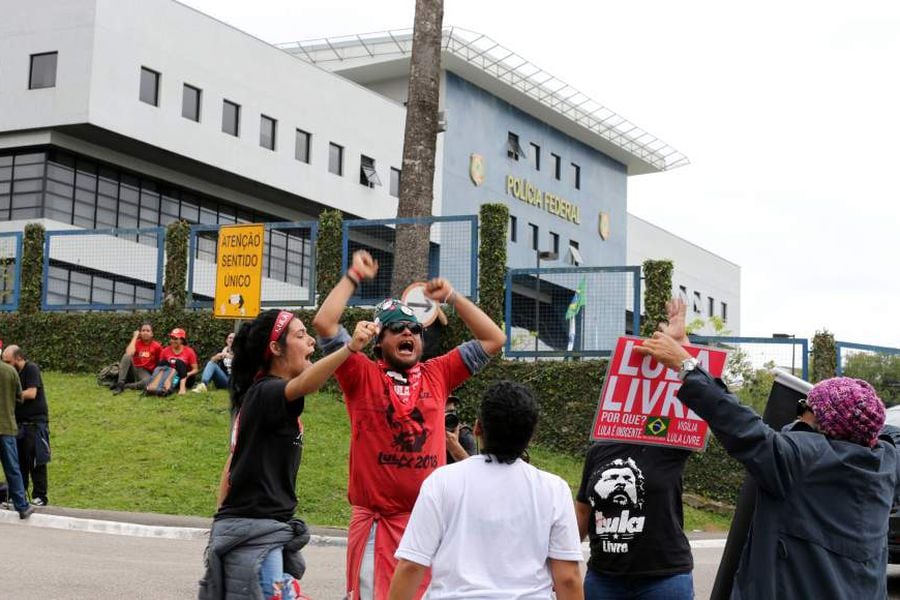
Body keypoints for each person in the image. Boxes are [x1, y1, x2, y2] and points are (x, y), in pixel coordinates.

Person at [636, 332, 900, 599]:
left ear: (822, 423)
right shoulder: (887, 461)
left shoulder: (801, 461)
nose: (798, 412)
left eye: (804, 406)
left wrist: (687, 366)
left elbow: (740, 424)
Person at [312, 250, 506, 600]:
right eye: (397, 329)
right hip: (376, 526)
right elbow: (325, 324)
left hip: (427, 523)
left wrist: (452, 297)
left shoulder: (439, 373)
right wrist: (354, 275)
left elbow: (494, 340)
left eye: (414, 329)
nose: (408, 333)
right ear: (378, 340)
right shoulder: (360, 372)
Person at [198, 309, 377, 600]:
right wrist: (350, 347)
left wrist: (221, 523)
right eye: (301, 335)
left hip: (265, 529)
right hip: (255, 533)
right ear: (275, 348)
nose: (311, 343)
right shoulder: (266, 392)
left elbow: (231, 463)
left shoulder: (265, 401)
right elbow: (309, 384)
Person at [388, 381, 584, 600]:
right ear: (531, 436)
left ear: (477, 427)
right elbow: (568, 578)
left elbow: (411, 566)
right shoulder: (554, 489)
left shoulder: (441, 481)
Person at [575, 298, 694, 599]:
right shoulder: (598, 450)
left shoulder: (669, 440)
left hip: (664, 579)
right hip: (604, 579)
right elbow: (581, 519)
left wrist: (682, 346)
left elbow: (703, 403)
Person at [1, 345, 50, 508]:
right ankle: (19, 494)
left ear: (18, 358)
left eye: (8, 361)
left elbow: (32, 393)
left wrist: (12, 393)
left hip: (35, 423)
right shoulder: (12, 372)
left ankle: (40, 496)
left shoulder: (31, 369)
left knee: (36, 460)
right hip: (19, 424)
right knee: (19, 460)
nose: (6, 364)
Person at [0, 347, 31, 519]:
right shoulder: (10, 371)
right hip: (6, 427)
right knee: (13, 468)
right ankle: (22, 507)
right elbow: (20, 396)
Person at [111, 322, 163, 395]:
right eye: (143, 330)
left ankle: (126, 386)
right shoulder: (136, 342)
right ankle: (120, 384)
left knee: (147, 381)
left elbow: (161, 362)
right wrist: (135, 337)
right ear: (140, 333)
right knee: (127, 356)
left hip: (145, 372)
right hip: (134, 368)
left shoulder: (157, 346)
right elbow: (129, 353)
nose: (145, 332)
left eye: (148, 331)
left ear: (152, 334)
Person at [158, 327, 199, 395]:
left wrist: (187, 374)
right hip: (170, 376)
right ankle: (168, 387)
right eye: (171, 338)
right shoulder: (165, 351)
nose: (172, 341)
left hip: (185, 378)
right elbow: (161, 367)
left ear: (182, 340)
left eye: (175, 339)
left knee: (179, 363)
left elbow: (195, 369)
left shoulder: (189, 351)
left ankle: (178, 387)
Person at [444, 395, 475, 464]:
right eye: (442, 413)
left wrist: (454, 445)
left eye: (451, 412)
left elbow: (473, 470)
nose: (448, 417)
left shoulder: (463, 433)